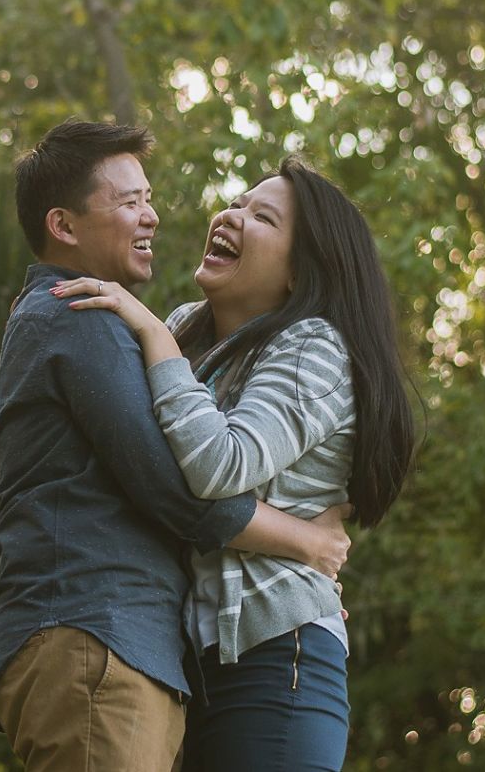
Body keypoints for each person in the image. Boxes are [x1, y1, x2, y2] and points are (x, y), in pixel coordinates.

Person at [0, 122, 353, 772]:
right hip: (98, 636)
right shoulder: (83, 318)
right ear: (65, 226)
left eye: (148, 196)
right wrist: (306, 542)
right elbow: (181, 490)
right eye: (130, 203)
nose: (152, 215)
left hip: (149, 647)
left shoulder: (130, 327)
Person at [53, 157, 417, 772]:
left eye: (262, 217)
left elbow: (222, 464)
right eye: (239, 203)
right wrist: (302, 540)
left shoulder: (314, 347)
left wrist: (152, 333)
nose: (231, 216)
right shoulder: (184, 340)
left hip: (276, 658)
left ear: (303, 270)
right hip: (187, 659)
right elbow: (145, 484)